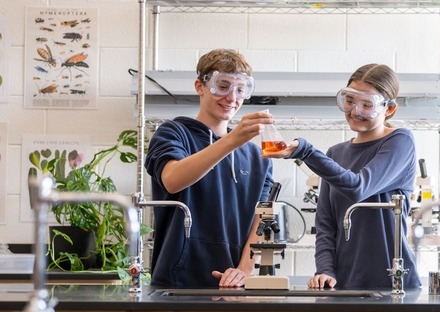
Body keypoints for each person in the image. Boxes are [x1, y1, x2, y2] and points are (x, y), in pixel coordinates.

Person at [262, 63, 422, 290]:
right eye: (350, 101)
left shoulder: (400, 141)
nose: (356, 111)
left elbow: (358, 187)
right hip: (344, 285)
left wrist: (305, 151)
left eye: (367, 105)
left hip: (392, 284)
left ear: (389, 109)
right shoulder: (336, 154)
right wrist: (325, 270)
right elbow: (326, 225)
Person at [144, 49, 275, 288]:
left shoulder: (258, 158)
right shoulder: (173, 133)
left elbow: (263, 217)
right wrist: (231, 140)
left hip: (234, 283)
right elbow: (172, 179)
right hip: (178, 282)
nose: (231, 97)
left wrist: (244, 270)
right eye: (222, 86)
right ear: (200, 86)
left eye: (240, 89)